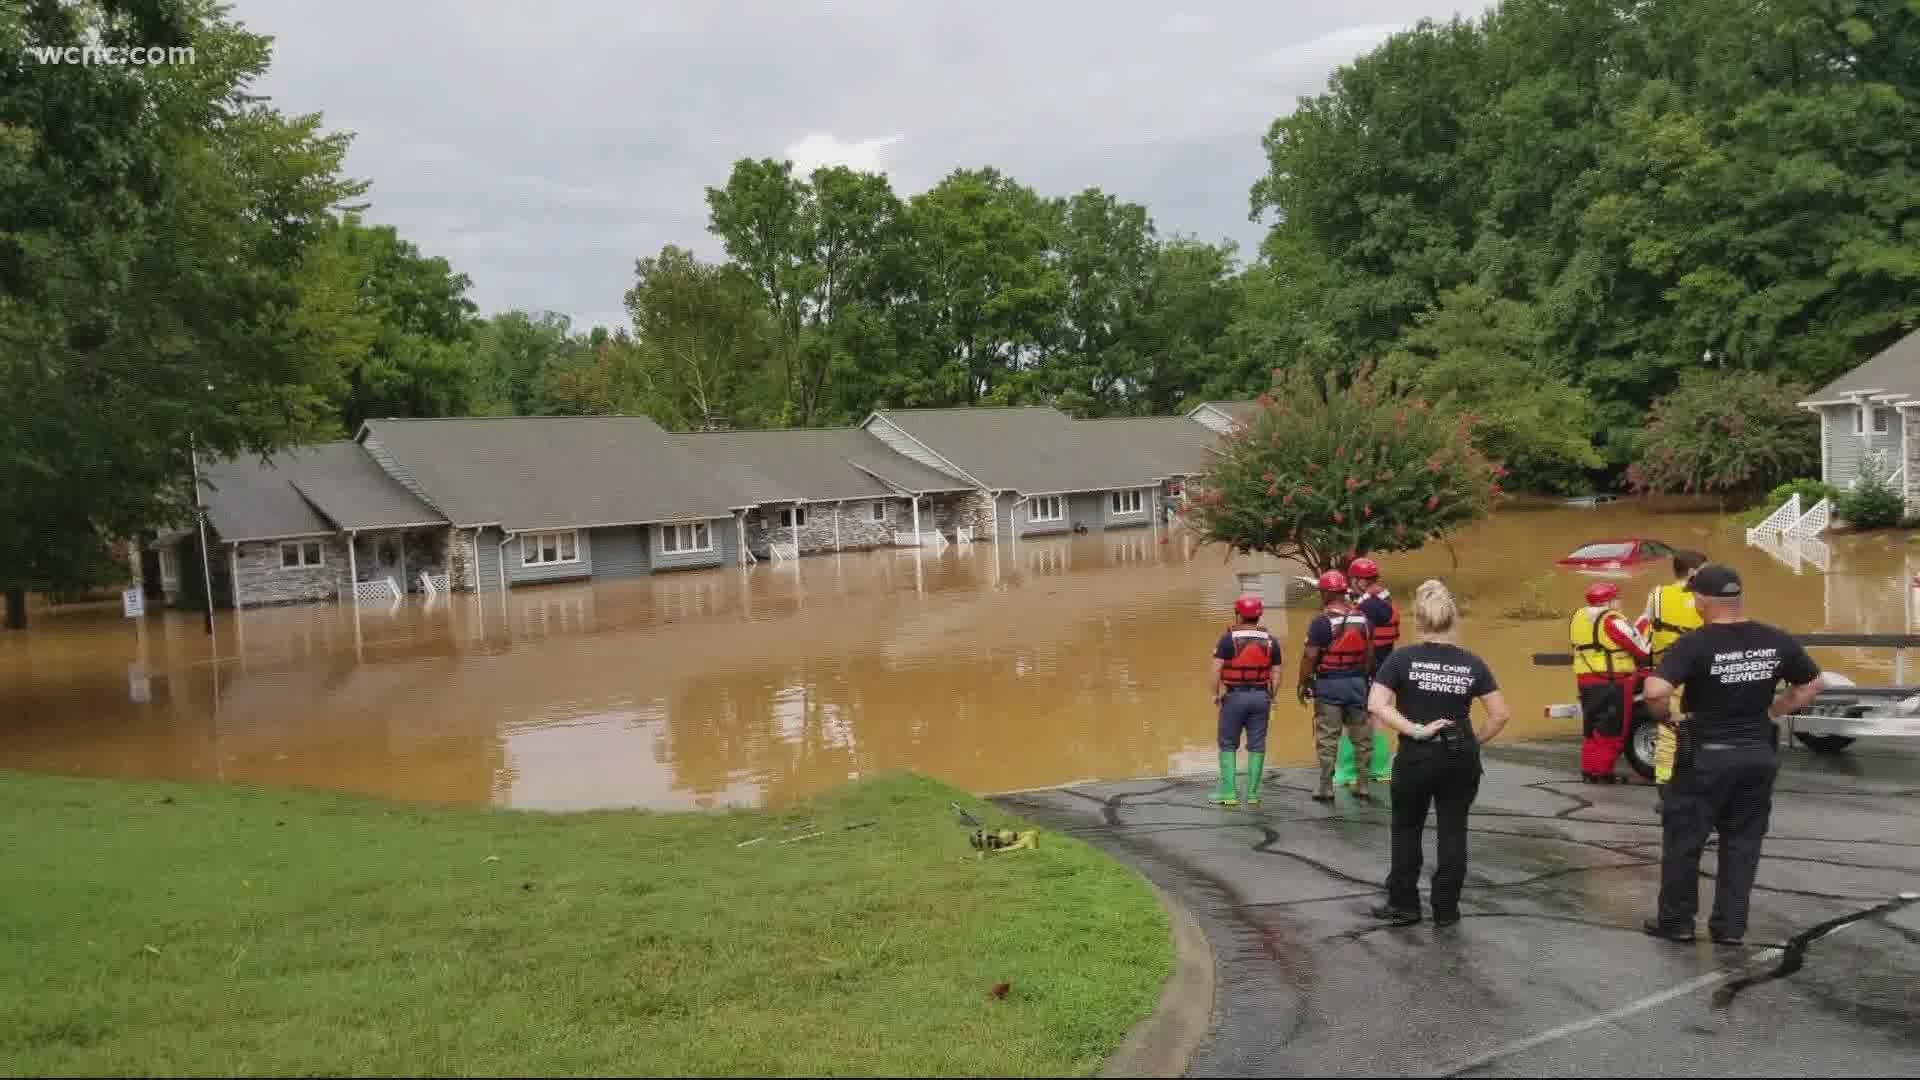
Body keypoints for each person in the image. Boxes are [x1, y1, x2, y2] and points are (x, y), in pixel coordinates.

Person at [1640, 564, 1824, 945]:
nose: (1693, 603)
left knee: (1684, 841)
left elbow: (1656, 690)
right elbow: (1811, 684)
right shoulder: (1775, 639)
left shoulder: (1695, 643)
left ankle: (1676, 923)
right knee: (1742, 844)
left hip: (1705, 757)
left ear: (1703, 601)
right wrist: (1772, 712)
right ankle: (1729, 929)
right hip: (1757, 755)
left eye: (1694, 598)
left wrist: (1667, 717)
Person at [1367, 579, 1510, 926]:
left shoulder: (1401, 659)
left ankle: (1404, 904)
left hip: (1417, 753)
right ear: (1453, 620)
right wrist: (1474, 741)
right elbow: (1500, 715)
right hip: (1460, 754)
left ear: (1417, 620)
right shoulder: (1472, 663)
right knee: (1453, 829)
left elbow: (1376, 704)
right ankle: (1446, 909)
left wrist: (1414, 729)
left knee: (1406, 828)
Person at [1641, 550, 1707, 810]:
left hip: (1668, 667)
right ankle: (1700, 787)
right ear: (1693, 572)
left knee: (1668, 730)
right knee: (1704, 726)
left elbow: (1646, 624)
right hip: (1702, 666)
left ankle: (1665, 789)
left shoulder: (1656, 594)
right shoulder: (1705, 595)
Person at [1300, 570, 1375, 801]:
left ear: (1326, 593)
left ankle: (1326, 787)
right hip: (1357, 684)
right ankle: (1363, 784)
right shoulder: (1363, 619)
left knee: (1328, 738)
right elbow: (1370, 653)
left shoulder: (1321, 622)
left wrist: (1303, 683)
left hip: (1330, 685)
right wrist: (1365, 679)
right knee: (1362, 738)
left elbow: (1310, 657)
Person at [1568, 581, 1652, 783]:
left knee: (1593, 729)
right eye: (1617, 598)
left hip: (1586, 680)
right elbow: (1640, 648)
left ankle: (1589, 771)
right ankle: (1603, 773)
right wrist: (1647, 623)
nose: (1620, 602)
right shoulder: (1611, 620)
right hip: (1612, 682)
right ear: (1609, 601)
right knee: (1613, 730)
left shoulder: (1579, 617)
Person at [1210, 593, 1282, 806]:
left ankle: (1229, 793)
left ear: (1238, 614)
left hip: (1234, 697)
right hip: (1261, 697)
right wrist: (1272, 695)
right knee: (1257, 745)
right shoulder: (1271, 641)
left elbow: (1216, 668)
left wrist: (1214, 693)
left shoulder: (1227, 639)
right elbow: (1276, 672)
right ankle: (1252, 794)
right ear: (1259, 616)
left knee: (1227, 744)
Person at [1338, 557, 1399, 787]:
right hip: (1386, 668)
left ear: (1360, 581)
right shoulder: (1383, 597)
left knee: (1352, 718)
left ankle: (1348, 771)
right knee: (1378, 716)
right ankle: (1380, 768)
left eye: (1353, 579)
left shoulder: (1368, 605)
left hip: (1365, 668)